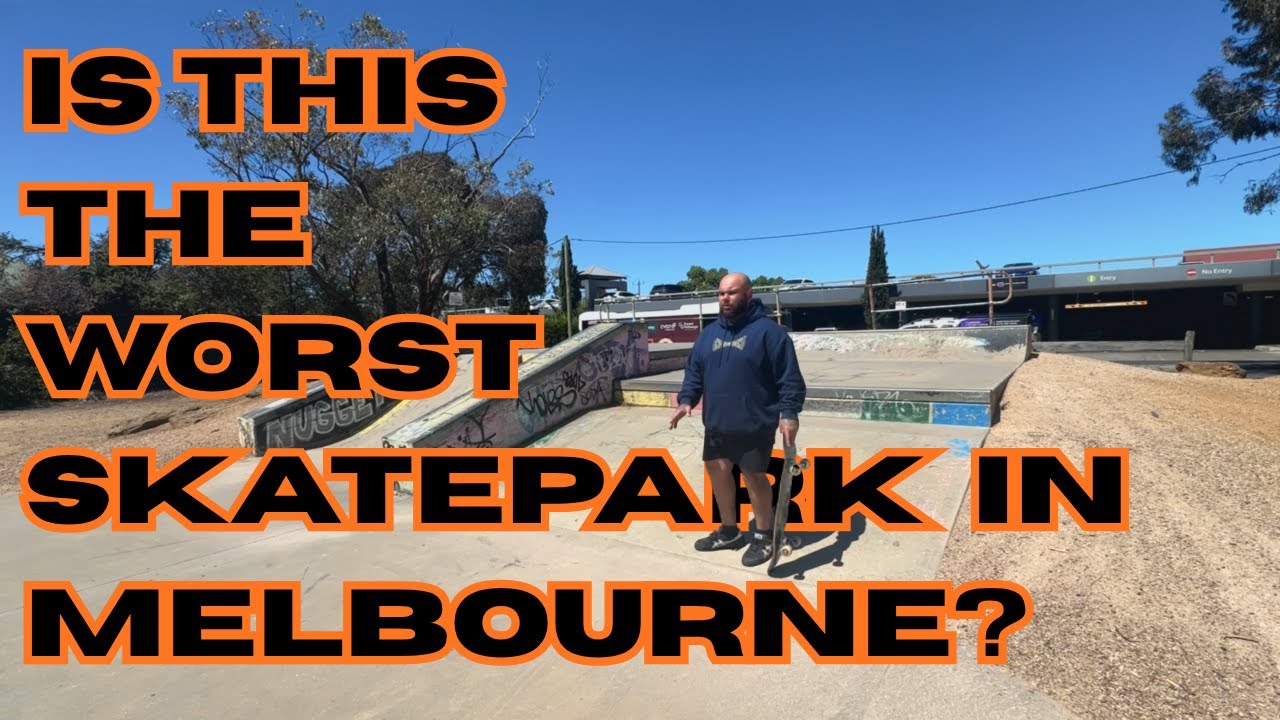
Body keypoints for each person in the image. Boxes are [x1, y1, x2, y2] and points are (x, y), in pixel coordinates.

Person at [668, 272, 807, 566]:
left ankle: (764, 536)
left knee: (753, 477)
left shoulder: (770, 333)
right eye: (720, 294)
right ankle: (729, 531)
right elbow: (695, 372)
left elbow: (789, 378)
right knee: (717, 471)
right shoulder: (709, 334)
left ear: (747, 294)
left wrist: (789, 412)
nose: (725, 299)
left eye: (731, 293)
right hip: (717, 422)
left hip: (754, 421)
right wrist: (686, 400)